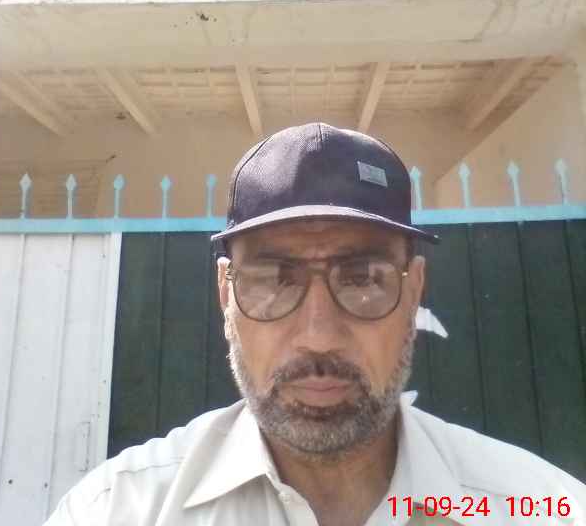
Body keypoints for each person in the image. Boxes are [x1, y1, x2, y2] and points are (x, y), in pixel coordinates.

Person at [44, 123, 586, 525]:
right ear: (225, 293)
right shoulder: (119, 511)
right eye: (274, 279)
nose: (318, 335)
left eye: (363, 277)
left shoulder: (539, 507)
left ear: (414, 289)